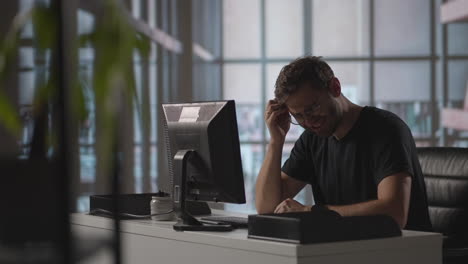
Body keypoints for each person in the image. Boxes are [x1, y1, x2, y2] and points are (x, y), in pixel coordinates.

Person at [255, 56, 432, 231]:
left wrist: (314, 213)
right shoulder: (312, 139)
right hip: (348, 249)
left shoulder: (386, 130)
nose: (308, 121)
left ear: (335, 87)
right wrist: (276, 141)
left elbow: (394, 214)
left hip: (403, 251)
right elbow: (267, 208)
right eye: (298, 116)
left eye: (313, 108)